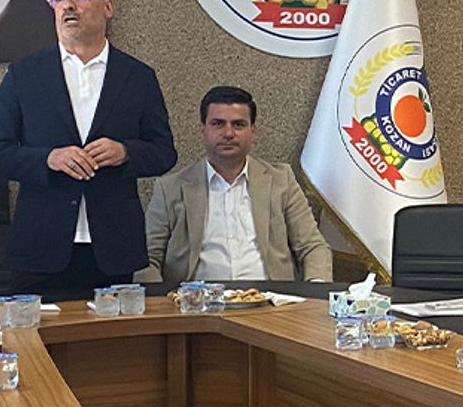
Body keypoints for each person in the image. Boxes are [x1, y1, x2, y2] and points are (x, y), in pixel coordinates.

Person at [0, 0, 176, 296]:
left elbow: (164, 152)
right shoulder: (25, 74)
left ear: (108, 7)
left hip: (112, 247)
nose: (68, 5)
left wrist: (125, 152)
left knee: (111, 332)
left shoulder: (137, 77)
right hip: (41, 245)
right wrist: (48, 159)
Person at [139, 86, 332, 285]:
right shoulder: (170, 188)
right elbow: (147, 258)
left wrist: (316, 291)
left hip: (271, 299)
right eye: (218, 124)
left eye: (238, 125)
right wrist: (158, 299)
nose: (228, 133)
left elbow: (312, 246)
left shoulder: (281, 181)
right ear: (203, 130)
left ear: (252, 131)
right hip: (196, 300)